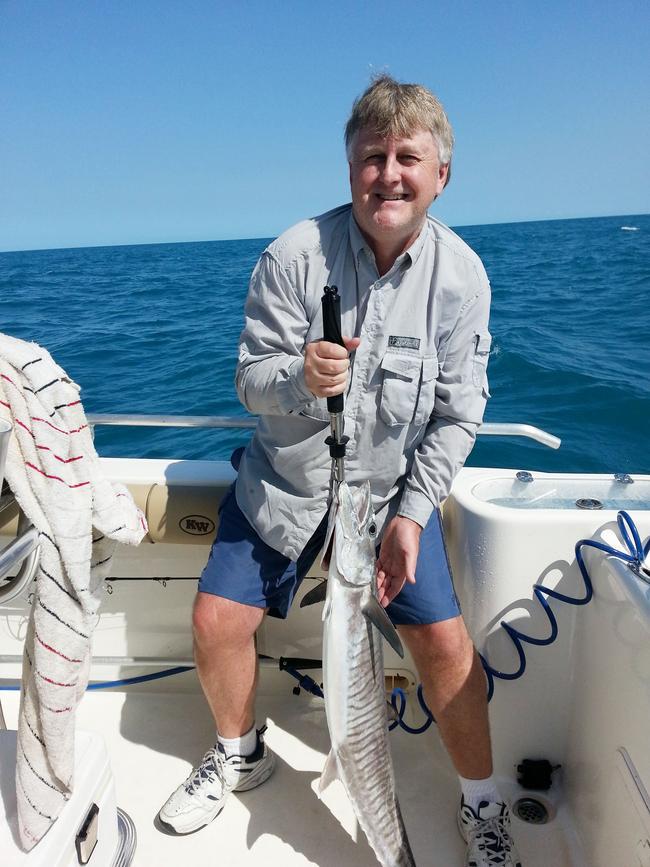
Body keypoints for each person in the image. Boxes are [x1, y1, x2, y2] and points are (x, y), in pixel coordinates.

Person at [158, 75, 521, 866]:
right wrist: (300, 377)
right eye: (371, 156)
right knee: (217, 621)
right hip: (283, 489)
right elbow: (248, 378)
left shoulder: (462, 280)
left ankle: (483, 803)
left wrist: (413, 513)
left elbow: (459, 416)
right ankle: (240, 752)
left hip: (384, 505)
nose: (388, 173)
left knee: (447, 649)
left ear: (440, 175)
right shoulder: (294, 257)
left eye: (407, 157)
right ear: (349, 168)